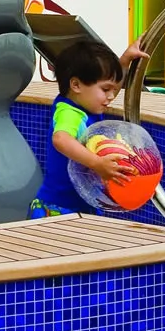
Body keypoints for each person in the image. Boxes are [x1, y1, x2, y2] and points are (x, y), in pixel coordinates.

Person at [31, 40, 148, 218]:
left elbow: (106, 90)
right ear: (76, 85)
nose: (111, 96)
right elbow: (61, 139)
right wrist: (97, 164)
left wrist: (125, 60)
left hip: (80, 204)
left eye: (114, 89)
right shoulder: (70, 113)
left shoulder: (84, 103)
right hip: (58, 210)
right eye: (106, 89)